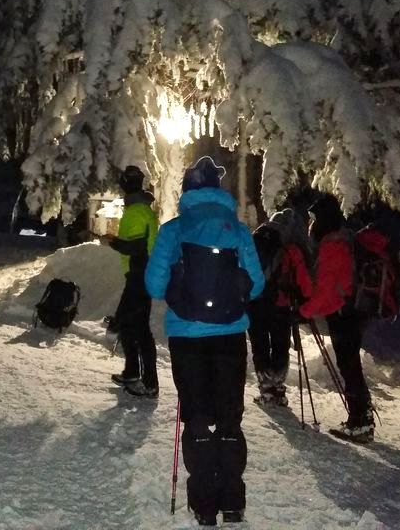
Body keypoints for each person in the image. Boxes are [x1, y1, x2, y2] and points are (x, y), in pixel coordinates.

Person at [145, 156, 264, 526]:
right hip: (230, 335)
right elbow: (256, 285)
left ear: (188, 189)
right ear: (218, 188)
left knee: (197, 417)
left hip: (187, 336)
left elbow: (153, 285)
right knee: (230, 418)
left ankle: (204, 507)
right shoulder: (239, 230)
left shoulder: (173, 230)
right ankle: (233, 502)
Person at [298, 193, 374, 442]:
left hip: (344, 314)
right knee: (350, 364)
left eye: (313, 218)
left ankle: (360, 422)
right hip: (351, 311)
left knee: (349, 365)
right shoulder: (343, 238)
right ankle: (361, 418)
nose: (310, 224)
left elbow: (328, 289)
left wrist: (303, 311)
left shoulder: (333, 245)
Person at [101, 165, 160, 398]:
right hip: (139, 274)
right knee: (127, 324)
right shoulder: (141, 208)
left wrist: (112, 241)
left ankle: (150, 382)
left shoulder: (136, 211)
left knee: (140, 329)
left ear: (125, 184)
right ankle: (132, 372)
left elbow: (135, 247)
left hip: (139, 274)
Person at [247, 208, 312, 406]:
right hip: (281, 304)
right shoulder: (291, 248)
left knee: (260, 344)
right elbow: (304, 282)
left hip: (255, 301)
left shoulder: (256, 239)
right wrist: (305, 300)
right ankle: (277, 386)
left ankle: (265, 386)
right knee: (280, 343)